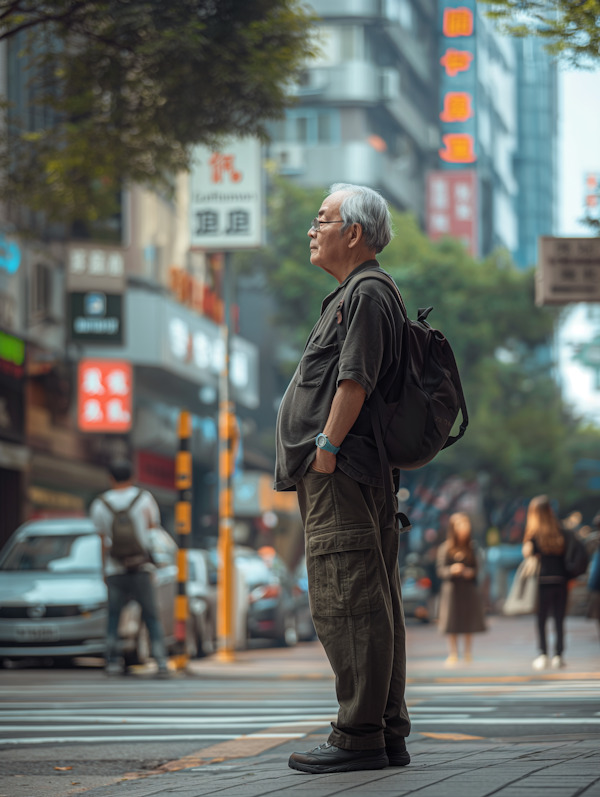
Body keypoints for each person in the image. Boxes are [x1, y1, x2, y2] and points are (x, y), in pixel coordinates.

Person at [275, 183, 410, 774]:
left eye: (322, 219)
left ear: (353, 232)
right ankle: (383, 730)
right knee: (369, 598)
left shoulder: (367, 292)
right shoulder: (356, 294)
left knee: (349, 599)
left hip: (343, 473)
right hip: (350, 472)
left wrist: (325, 447)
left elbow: (354, 379)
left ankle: (359, 735)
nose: (313, 229)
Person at [90, 458, 169, 676]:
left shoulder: (100, 503)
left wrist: (103, 571)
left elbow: (102, 541)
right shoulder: (144, 499)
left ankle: (112, 661)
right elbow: (153, 530)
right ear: (132, 477)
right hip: (141, 568)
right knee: (151, 616)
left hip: (115, 569)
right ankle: (161, 662)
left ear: (111, 478)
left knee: (114, 616)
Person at [522, 495, 568, 670]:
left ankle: (543, 654)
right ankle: (558, 655)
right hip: (561, 580)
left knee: (541, 619)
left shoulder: (533, 533)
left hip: (542, 582)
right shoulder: (561, 531)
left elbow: (528, 555)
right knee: (559, 619)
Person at [436, 513, 486, 664]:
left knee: (468, 620)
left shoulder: (472, 547)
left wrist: (471, 572)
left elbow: (477, 569)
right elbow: (440, 570)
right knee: (451, 620)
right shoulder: (445, 548)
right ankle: (453, 653)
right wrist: (452, 570)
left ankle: (467, 653)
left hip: (467, 589)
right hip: (452, 590)